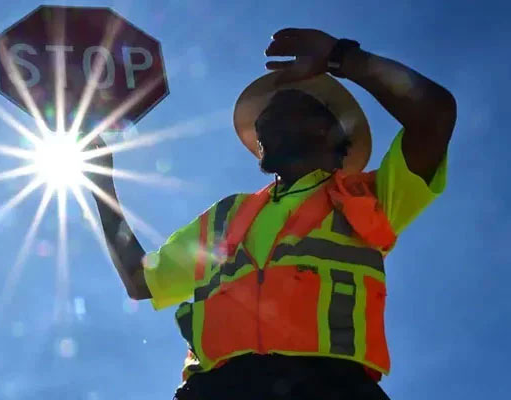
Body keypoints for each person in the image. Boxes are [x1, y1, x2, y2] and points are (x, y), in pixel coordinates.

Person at [86, 28, 456, 400]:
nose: (261, 124)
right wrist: (102, 185)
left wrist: (342, 57)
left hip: (332, 389)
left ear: (326, 127)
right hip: (213, 390)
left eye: (279, 112)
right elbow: (142, 281)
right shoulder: (227, 215)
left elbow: (434, 115)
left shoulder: (368, 196)